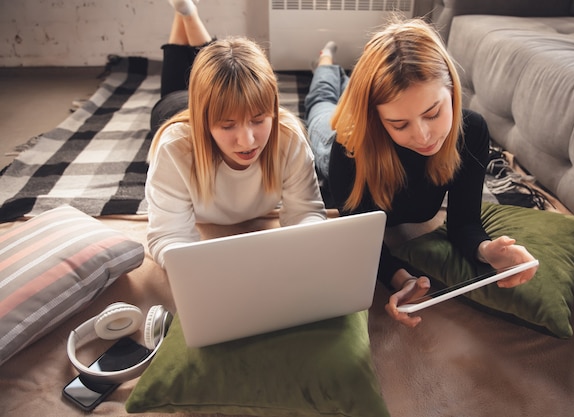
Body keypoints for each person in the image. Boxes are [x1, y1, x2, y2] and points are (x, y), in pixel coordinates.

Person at [304, 17, 537, 327]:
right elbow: (360, 241)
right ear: (376, 120)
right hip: (336, 140)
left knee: (338, 99)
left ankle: (348, 83)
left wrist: (486, 251)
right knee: (321, 105)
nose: (424, 136)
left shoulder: (472, 132)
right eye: (399, 124)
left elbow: (464, 222)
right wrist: (400, 279)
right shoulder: (349, 149)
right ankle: (325, 61)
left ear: (452, 91)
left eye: (433, 113)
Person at [146, 0, 327, 268]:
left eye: (258, 120)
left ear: (273, 110)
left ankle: (187, 12)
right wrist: (192, 269)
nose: (247, 141)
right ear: (204, 122)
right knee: (179, 80)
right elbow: (167, 236)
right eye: (227, 126)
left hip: (216, 98)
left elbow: (307, 212)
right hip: (175, 107)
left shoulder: (288, 138)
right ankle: (183, 13)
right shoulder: (175, 147)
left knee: (224, 69)